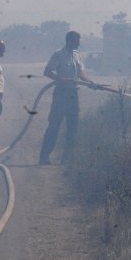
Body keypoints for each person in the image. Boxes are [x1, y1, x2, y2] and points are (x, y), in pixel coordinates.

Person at [39, 30, 95, 165]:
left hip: (73, 95)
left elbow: (81, 74)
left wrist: (91, 83)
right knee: (54, 125)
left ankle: (67, 159)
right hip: (61, 94)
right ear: (69, 41)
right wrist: (60, 79)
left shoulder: (77, 55)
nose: (78, 44)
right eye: (76, 41)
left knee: (73, 127)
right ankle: (44, 157)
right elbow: (47, 71)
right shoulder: (58, 55)